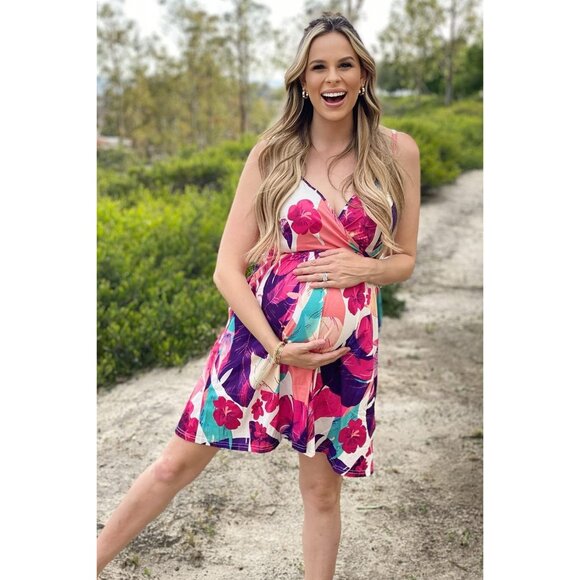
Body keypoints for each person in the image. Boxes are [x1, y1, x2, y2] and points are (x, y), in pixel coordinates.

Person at [97, 11, 420, 579]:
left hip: (342, 355)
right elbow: (227, 269)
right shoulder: (273, 153)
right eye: (318, 67)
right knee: (176, 465)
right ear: (302, 80)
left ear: (363, 74)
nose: (332, 78)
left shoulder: (397, 152)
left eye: (344, 64)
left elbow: (405, 260)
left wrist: (366, 267)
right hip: (258, 342)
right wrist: (275, 346)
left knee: (321, 494)